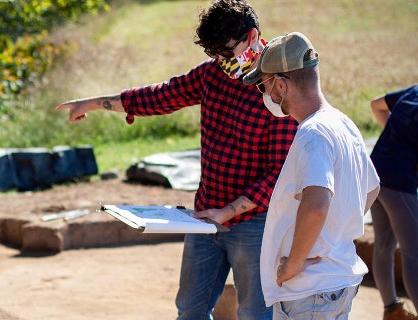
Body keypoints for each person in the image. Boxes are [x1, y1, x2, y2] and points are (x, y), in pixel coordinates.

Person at [55, 1, 298, 318]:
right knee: (189, 311)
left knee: (255, 313)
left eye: (226, 54)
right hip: (204, 217)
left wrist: (229, 211)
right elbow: (160, 95)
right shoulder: (212, 75)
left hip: (256, 224)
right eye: (214, 56)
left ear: (252, 37)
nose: (221, 63)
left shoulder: (278, 88)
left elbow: (279, 174)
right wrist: (94, 103)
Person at [242, 32, 380, 319]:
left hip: (311, 291)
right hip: (335, 282)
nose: (265, 95)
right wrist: (335, 234)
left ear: (280, 85)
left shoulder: (312, 133)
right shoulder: (342, 122)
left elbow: (317, 204)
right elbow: (371, 189)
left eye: (263, 86)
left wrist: (294, 263)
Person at [369, 84, 418, 320]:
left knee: (384, 246)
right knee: (413, 253)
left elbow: (376, 105)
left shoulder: (414, 91)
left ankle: (392, 310)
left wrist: (399, 140)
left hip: (375, 172)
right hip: (399, 182)